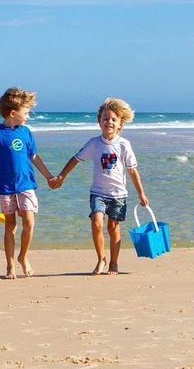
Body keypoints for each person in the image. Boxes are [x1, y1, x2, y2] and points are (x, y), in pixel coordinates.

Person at [51, 98, 149, 276]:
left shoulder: (124, 145)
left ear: (120, 124)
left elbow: (132, 171)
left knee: (113, 228)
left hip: (118, 194)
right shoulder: (94, 144)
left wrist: (141, 194)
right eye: (105, 118)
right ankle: (101, 258)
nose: (109, 122)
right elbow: (75, 159)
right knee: (96, 224)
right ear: (99, 121)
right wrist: (62, 175)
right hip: (97, 193)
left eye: (113, 119)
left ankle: (114, 262)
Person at [0, 87, 57, 280]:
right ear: (13, 113)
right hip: (5, 186)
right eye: (26, 113)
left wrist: (49, 176)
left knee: (29, 223)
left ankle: (23, 257)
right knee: (10, 225)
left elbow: (34, 157)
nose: (28, 117)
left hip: (26, 184)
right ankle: (10, 266)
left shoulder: (26, 133)